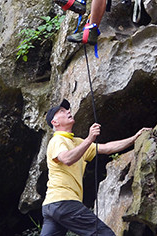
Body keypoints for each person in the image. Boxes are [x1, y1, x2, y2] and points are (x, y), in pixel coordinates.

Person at [41, 98, 151, 236]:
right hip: (64, 201)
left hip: (51, 205)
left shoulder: (76, 142)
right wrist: (89, 138)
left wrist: (134, 138)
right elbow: (67, 158)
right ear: (55, 122)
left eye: (67, 109)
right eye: (62, 111)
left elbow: (107, 148)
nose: (69, 111)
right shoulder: (57, 140)